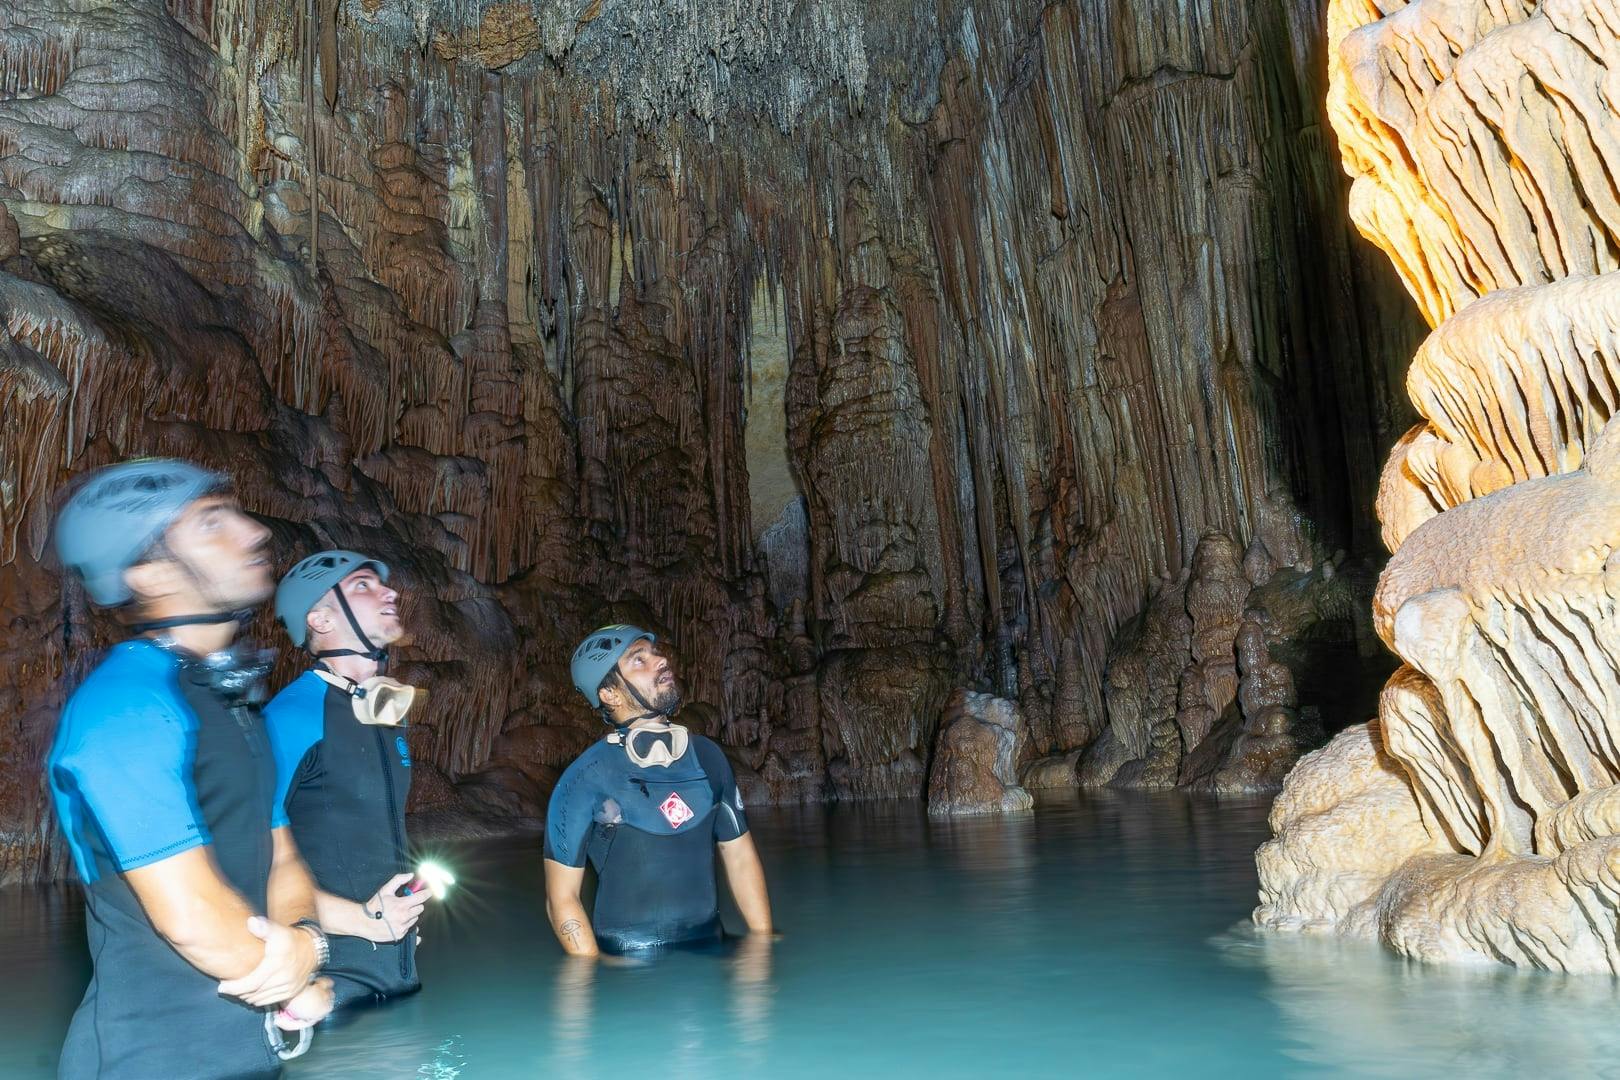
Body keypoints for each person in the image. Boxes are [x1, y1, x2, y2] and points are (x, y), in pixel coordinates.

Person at [47, 460, 334, 1080]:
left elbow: (281, 856)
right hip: (146, 1060)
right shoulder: (124, 706)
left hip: (247, 1053)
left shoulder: (230, 702)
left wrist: (306, 941)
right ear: (147, 571)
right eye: (211, 523)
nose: (253, 532)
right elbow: (195, 918)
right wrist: (303, 964)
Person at [543, 625, 774, 956]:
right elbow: (561, 898)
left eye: (654, 653)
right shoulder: (583, 778)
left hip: (710, 950)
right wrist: (593, 974)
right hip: (627, 969)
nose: (661, 660)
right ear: (609, 693)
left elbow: (739, 857)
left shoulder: (708, 758)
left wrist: (763, 947)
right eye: (639, 660)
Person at [264, 550, 426, 1009]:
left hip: (399, 979)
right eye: (362, 585)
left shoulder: (384, 715)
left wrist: (401, 917)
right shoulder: (292, 716)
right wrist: (365, 920)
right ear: (319, 619)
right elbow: (246, 860)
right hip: (325, 992)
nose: (389, 591)